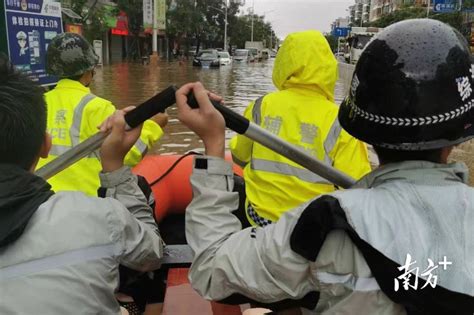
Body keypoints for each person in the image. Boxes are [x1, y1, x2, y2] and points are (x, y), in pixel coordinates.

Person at [177, 19, 474, 314]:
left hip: (279, 232)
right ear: (460, 136)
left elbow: (211, 269)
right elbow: (358, 179)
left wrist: (213, 145)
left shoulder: (328, 222)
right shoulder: (334, 123)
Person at [0, 57, 163, 313]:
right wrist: (152, 129)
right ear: (45, 145)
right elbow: (152, 252)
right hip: (87, 209)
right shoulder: (98, 106)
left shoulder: (45, 100)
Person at [230, 30, 371, 227]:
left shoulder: (261, 105)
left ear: (283, 64)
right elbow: (357, 184)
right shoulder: (340, 119)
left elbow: (239, 155)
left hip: (259, 219)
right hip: (310, 230)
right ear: (328, 66)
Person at [36, 32, 168, 196]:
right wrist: (154, 126)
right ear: (89, 71)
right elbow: (127, 154)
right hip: (87, 203)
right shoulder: (98, 107)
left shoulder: (36, 104)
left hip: (40, 201)